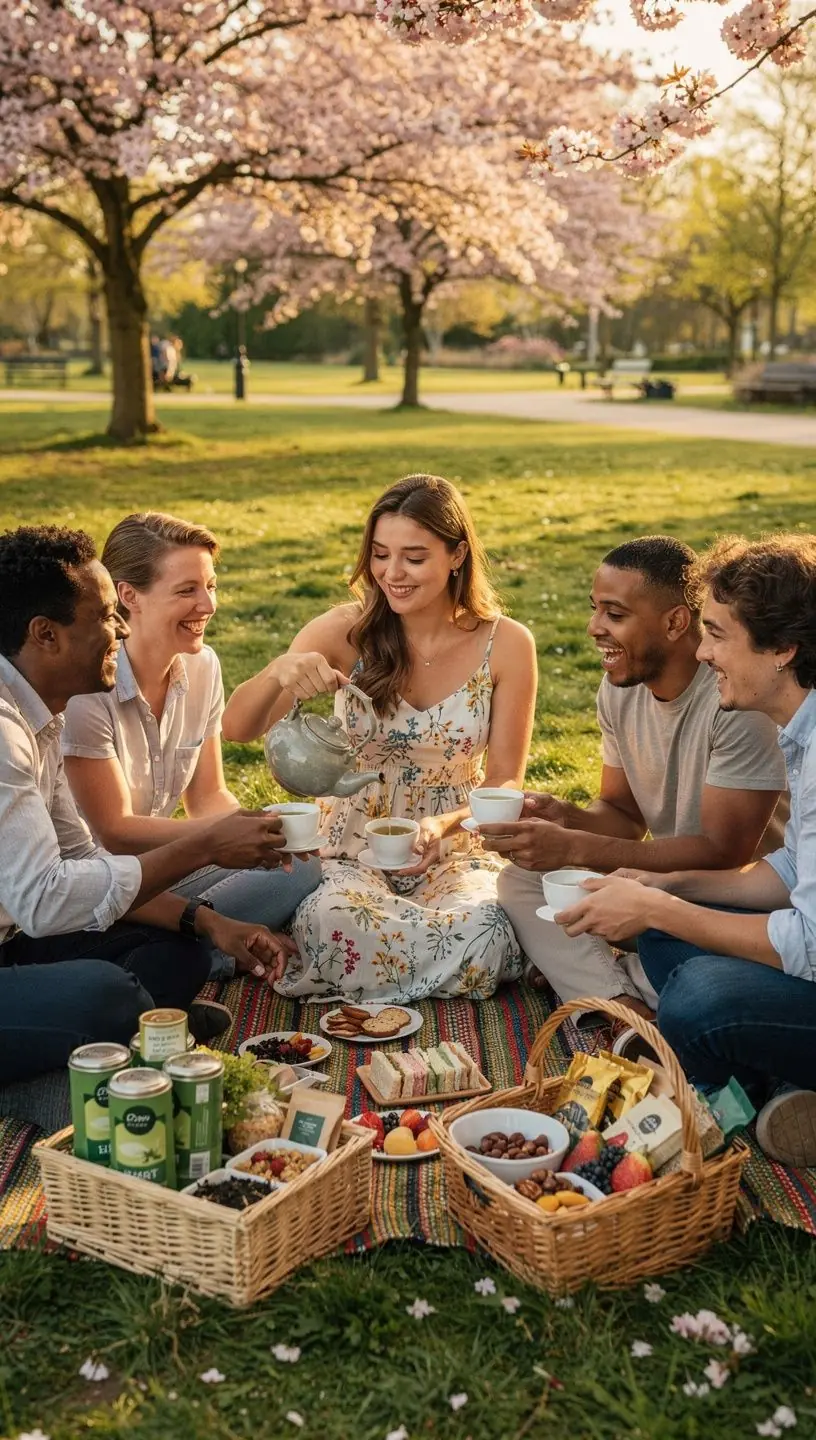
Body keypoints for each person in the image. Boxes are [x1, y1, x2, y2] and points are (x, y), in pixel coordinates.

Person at [0, 525, 296, 1091]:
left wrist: (209, 922)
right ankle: (53, 1089)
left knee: (180, 953)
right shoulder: (5, 733)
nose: (118, 630)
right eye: (104, 616)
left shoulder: (43, 715)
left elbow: (83, 859)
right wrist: (207, 844)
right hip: (25, 928)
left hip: (20, 938)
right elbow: (45, 899)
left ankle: (111, 1045)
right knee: (105, 994)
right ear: (46, 635)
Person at [222, 473, 538, 1001]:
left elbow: (506, 779)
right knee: (333, 920)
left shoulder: (506, 643)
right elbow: (236, 729)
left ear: (457, 554)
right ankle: (446, 969)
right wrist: (281, 669)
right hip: (348, 843)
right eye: (380, 555)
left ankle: (382, 970)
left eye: (414, 557)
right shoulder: (344, 631)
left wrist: (443, 827)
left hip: (454, 845)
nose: (393, 574)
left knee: (487, 925)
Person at [555, 533, 816, 1168]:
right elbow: (787, 873)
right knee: (664, 939)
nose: (701, 652)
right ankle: (781, 1087)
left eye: (718, 635)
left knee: (699, 997)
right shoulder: (801, 733)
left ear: (782, 649)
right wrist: (665, 893)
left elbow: (807, 941)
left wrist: (661, 909)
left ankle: (753, 1083)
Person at [488, 536, 785, 1017]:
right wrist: (566, 818)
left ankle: (598, 986)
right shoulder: (619, 689)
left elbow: (723, 851)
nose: (593, 628)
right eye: (595, 610)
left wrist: (580, 849)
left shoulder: (736, 699)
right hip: (655, 881)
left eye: (615, 614)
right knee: (522, 881)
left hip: (732, 900)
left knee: (687, 974)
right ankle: (621, 1003)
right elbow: (624, 814)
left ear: (674, 622)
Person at [62, 512, 320, 979]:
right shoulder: (86, 689)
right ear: (129, 596)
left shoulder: (202, 668)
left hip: (165, 871)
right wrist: (219, 839)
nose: (208, 605)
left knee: (299, 864)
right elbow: (114, 831)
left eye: (211, 585)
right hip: (97, 881)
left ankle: (202, 944)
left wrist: (258, 836)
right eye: (187, 590)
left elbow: (206, 798)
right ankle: (204, 949)